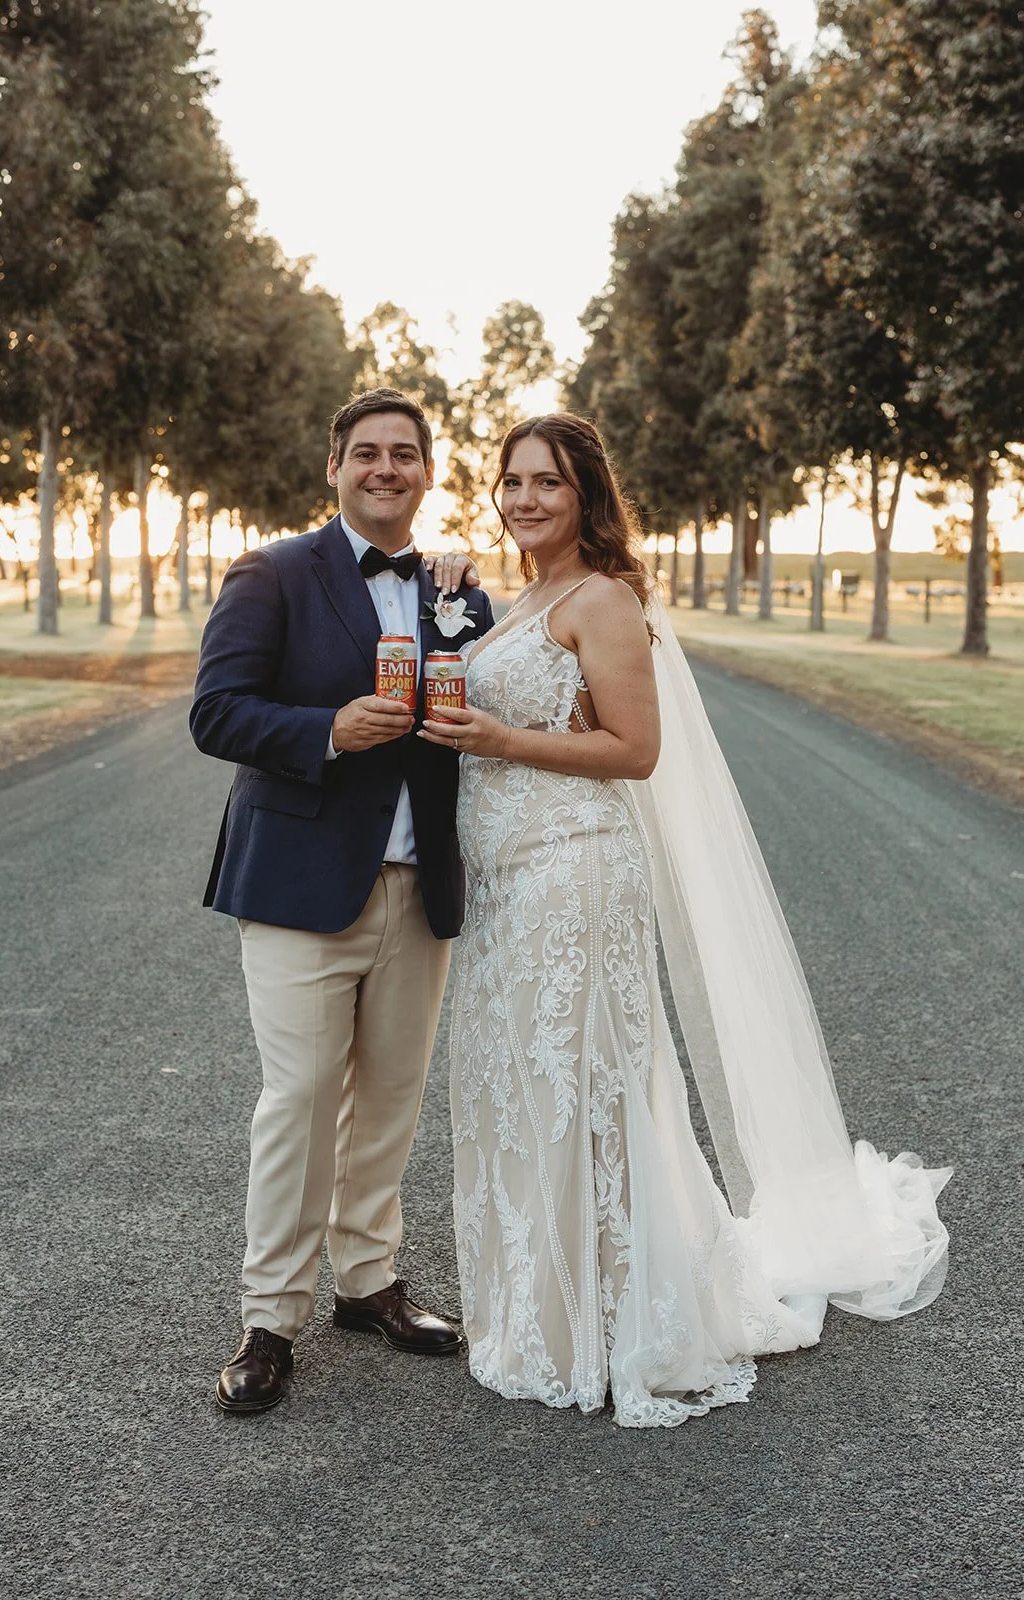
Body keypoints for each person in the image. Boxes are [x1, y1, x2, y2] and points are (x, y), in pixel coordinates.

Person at [419, 413, 950, 1428]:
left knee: (581, 1088)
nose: (525, 499)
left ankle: (612, 1317)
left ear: (586, 498)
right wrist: (447, 594)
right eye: (511, 482)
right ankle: (539, 1307)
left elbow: (633, 749)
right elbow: (464, 661)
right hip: (502, 884)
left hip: (575, 873)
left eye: (548, 484)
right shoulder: (520, 595)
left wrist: (496, 736)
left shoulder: (604, 599)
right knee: (521, 1084)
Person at [191, 388, 494, 1414]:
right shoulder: (272, 572)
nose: (384, 468)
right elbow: (216, 712)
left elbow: (489, 705)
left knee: (394, 1097)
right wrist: (326, 729)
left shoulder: (455, 587)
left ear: (425, 471)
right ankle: (270, 1315)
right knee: (301, 1100)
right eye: (365, 453)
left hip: (421, 890)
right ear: (334, 468)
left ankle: (368, 1282)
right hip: (297, 887)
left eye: (403, 454)